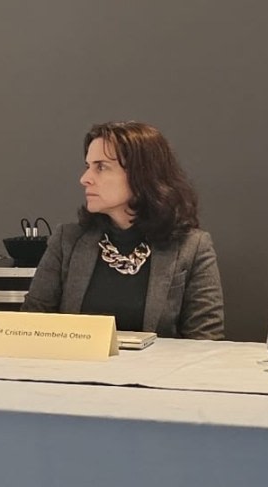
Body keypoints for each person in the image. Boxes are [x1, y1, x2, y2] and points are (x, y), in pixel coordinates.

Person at [22, 121, 224, 338]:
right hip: (76, 371)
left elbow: (206, 342)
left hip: (158, 371)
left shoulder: (192, 247)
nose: (85, 179)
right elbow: (31, 327)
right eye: (87, 166)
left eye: (101, 167)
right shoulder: (67, 240)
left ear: (142, 175)